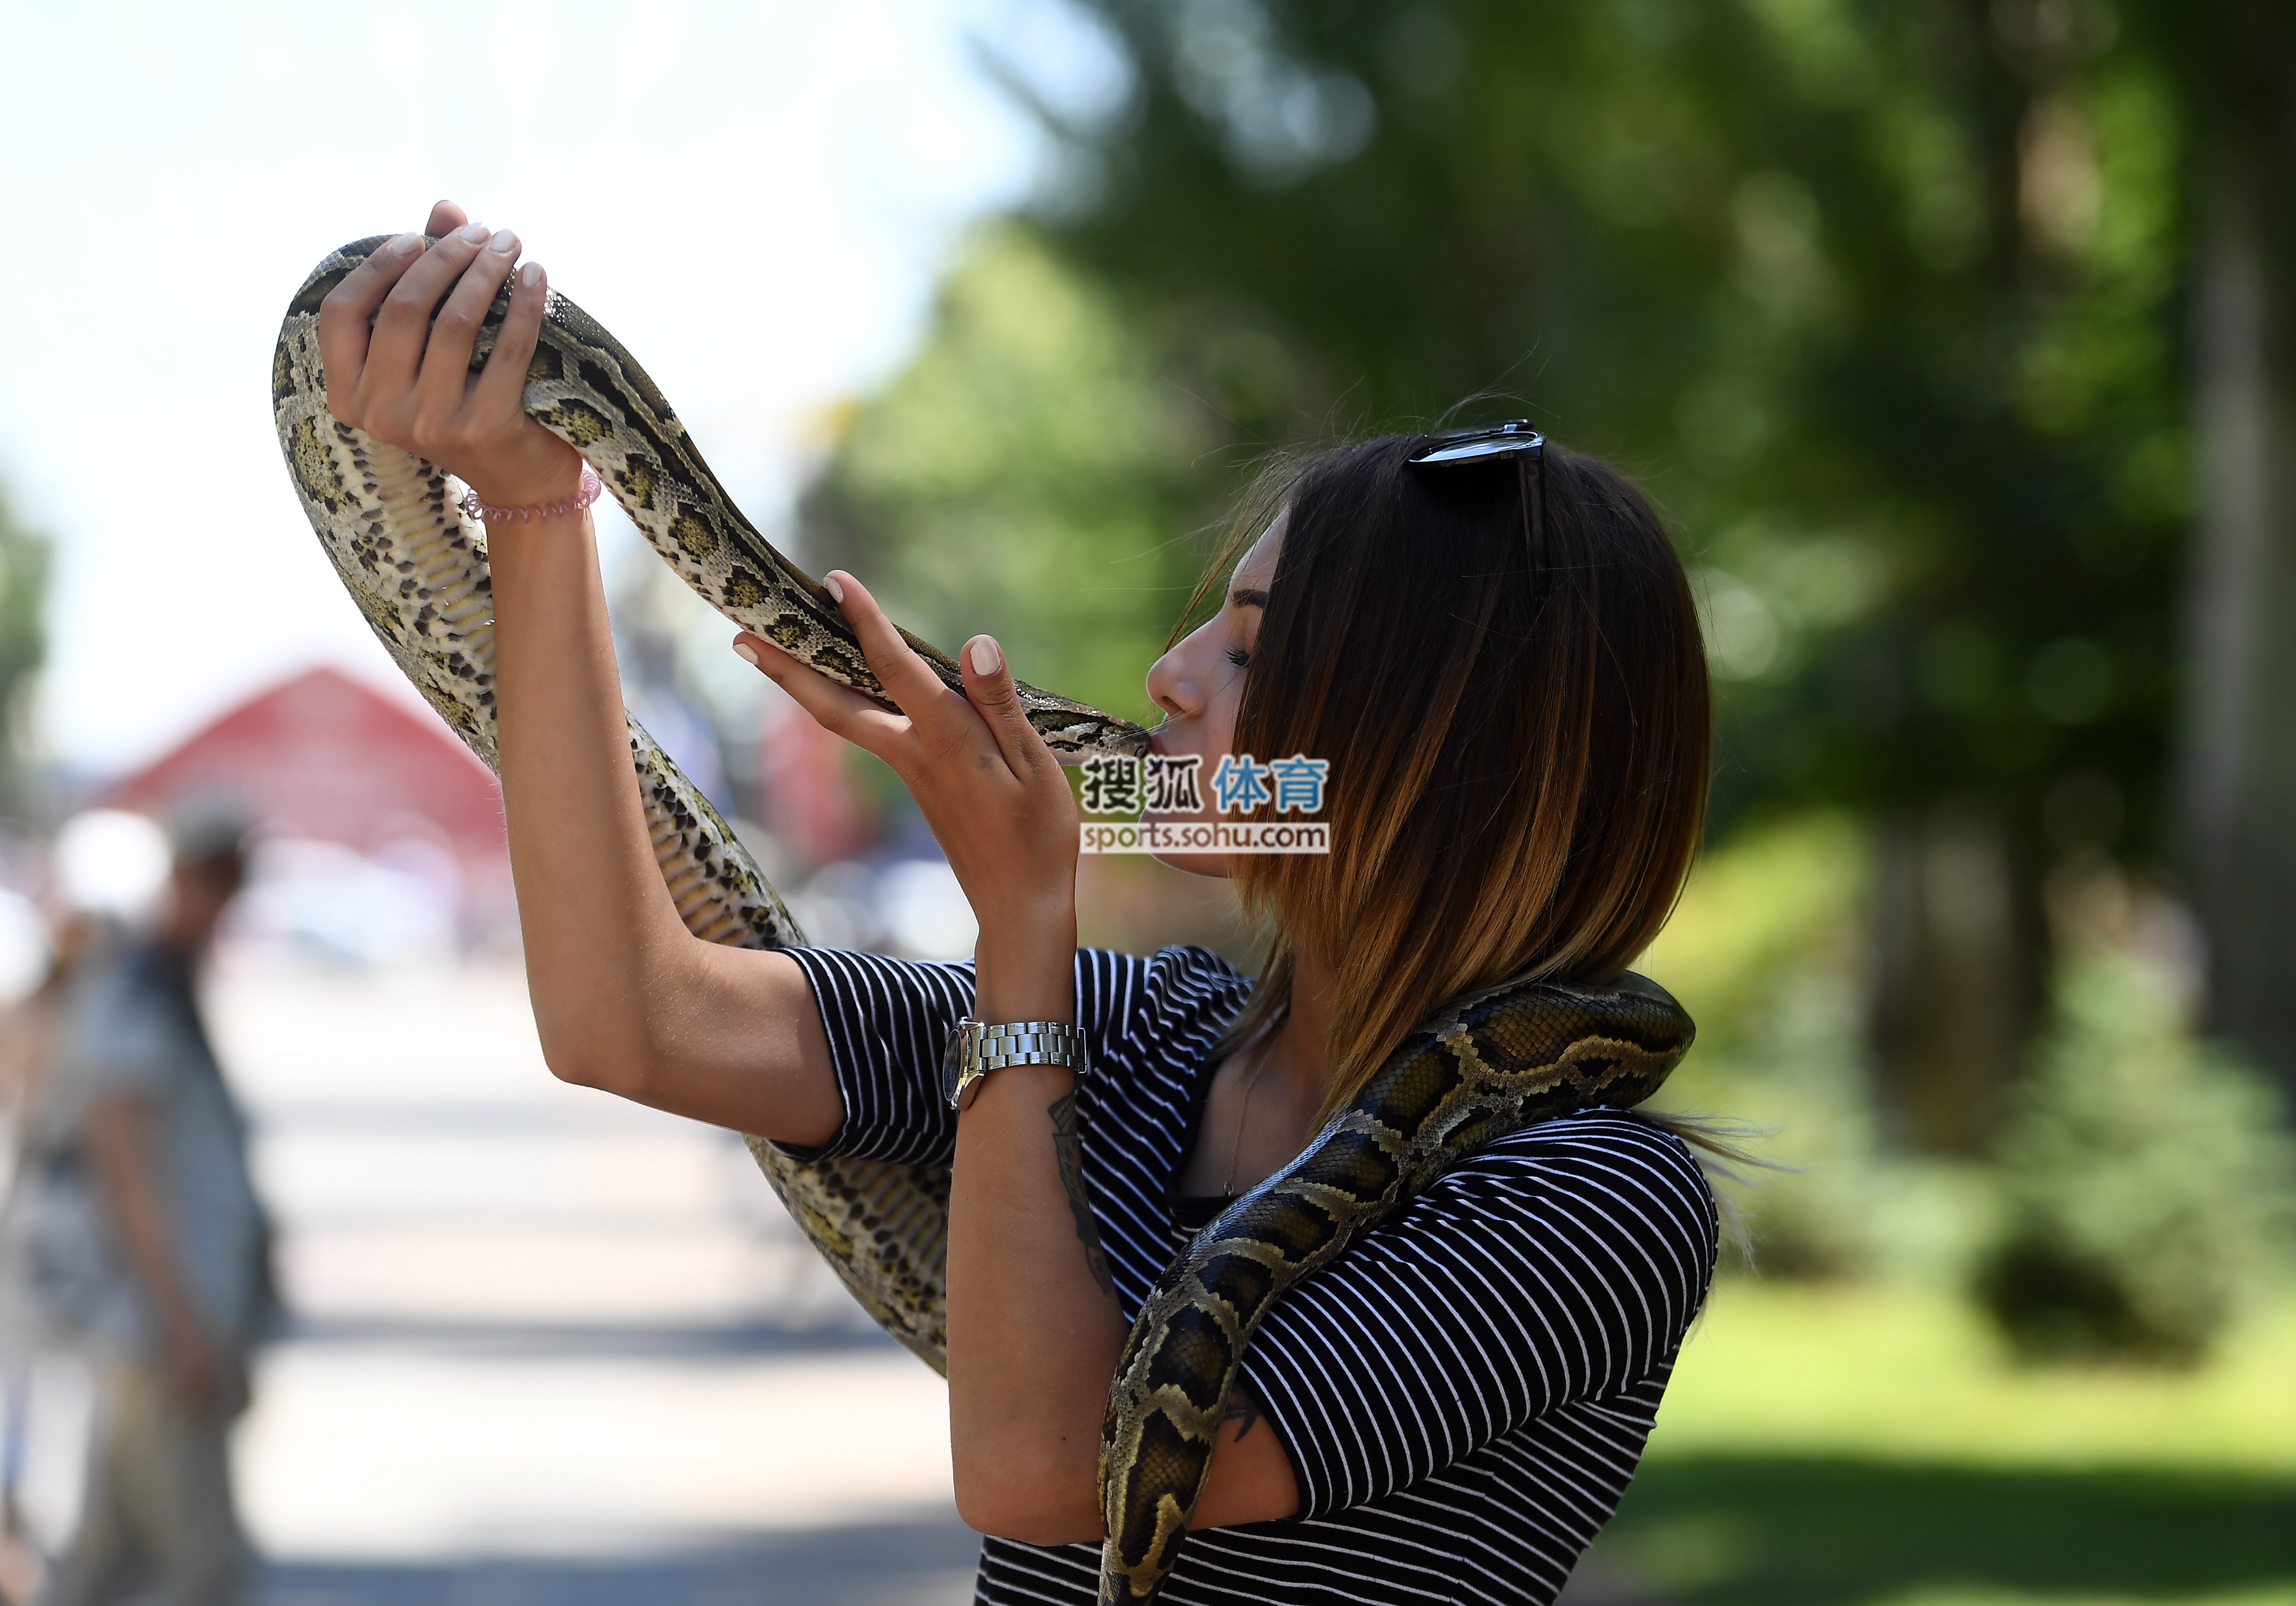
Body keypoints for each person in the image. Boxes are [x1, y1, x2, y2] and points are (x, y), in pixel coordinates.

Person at [321, 201, 1722, 1605]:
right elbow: (633, 1017)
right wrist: (535, 506)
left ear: (1437, 752)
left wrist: (1021, 934)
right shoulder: (1150, 1036)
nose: (1168, 676)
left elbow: (1046, 1470)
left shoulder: (1592, 1197)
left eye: (1249, 649)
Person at [20, 811, 272, 1606]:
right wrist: (184, 1321)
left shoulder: (146, 986)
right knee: (201, 1569)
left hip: (146, 1323)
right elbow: (123, 1164)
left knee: (104, 1567)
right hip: (151, 1326)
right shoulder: (130, 990)